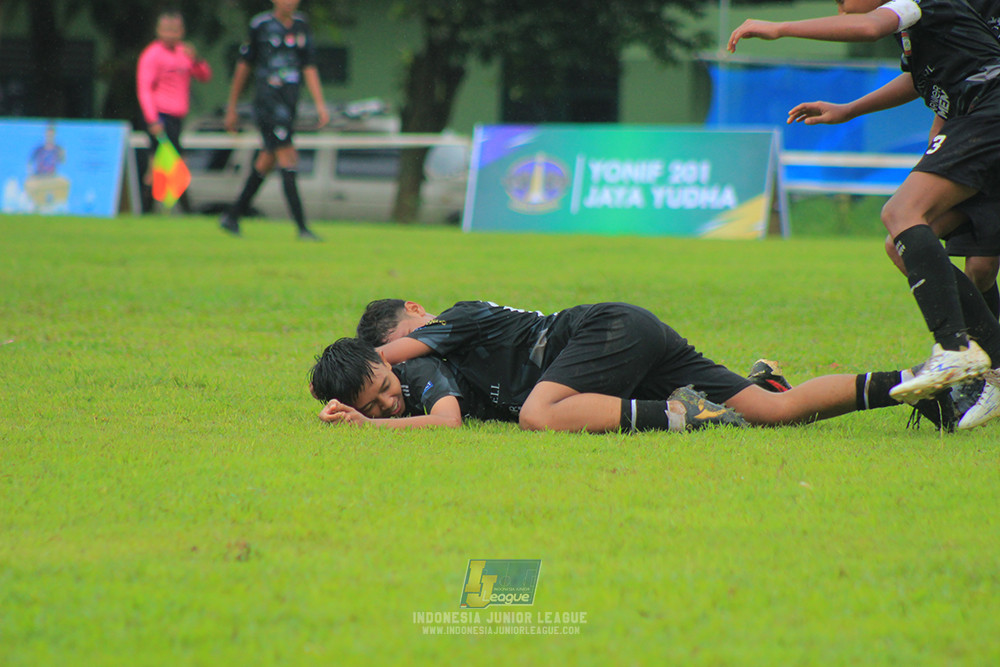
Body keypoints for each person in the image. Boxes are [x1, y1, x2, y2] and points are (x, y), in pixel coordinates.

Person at [728, 0, 1000, 426]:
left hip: (989, 115)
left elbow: (871, 26)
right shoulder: (920, 30)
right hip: (978, 119)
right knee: (901, 242)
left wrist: (779, 29)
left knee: (902, 212)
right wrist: (848, 109)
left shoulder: (914, 1)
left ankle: (955, 351)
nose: (839, 3)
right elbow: (922, 79)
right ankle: (992, 370)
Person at [309, 299, 961, 432]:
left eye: (404, 343)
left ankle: (690, 417)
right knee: (774, 412)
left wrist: (354, 395)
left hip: (607, 333)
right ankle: (919, 383)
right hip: (614, 354)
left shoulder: (453, 320)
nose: (405, 363)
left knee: (539, 414)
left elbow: (388, 359)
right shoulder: (446, 369)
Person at [218, 0, 329, 240]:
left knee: (266, 161)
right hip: (268, 103)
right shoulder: (260, 25)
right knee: (288, 156)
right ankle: (302, 227)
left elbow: (309, 66)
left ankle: (232, 216)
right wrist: (232, 106)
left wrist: (320, 104)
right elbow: (244, 66)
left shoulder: (301, 26)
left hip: (289, 104)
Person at [136, 9, 212, 213]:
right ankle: (184, 211)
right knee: (171, 164)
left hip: (177, 118)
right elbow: (144, 89)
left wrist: (196, 59)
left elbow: (204, 76)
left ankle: (149, 211)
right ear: (158, 30)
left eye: (174, 30)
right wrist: (152, 119)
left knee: (163, 165)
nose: (170, 34)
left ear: (182, 31)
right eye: (166, 30)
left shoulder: (184, 53)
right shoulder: (151, 55)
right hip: (160, 117)